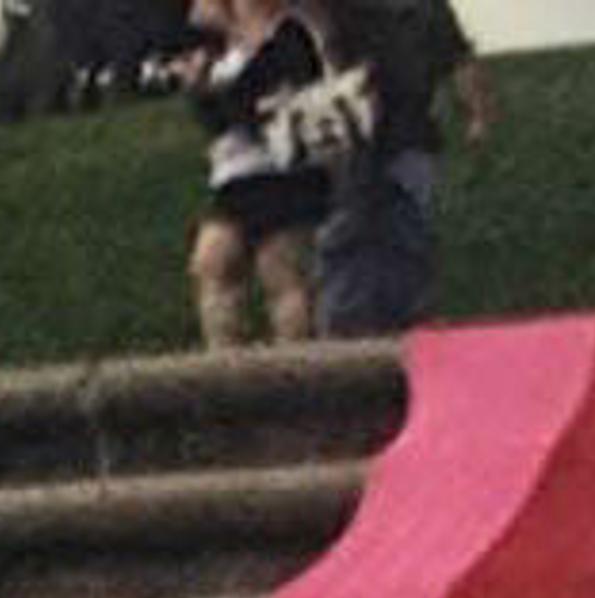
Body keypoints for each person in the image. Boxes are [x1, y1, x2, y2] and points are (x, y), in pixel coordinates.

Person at [317, 0, 489, 336]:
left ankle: (399, 324)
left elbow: (458, 60)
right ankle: (358, 327)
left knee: (399, 233)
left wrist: (477, 114)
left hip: (402, 137)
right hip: (357, 139)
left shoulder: (425, 9)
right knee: (355, 234)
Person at [184, 0, 336, 350]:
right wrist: (199, 86)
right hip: (233, 175)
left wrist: (218, 95)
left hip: (282, 173)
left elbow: (254, 104)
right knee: (211, 263)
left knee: (282, 273)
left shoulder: (288, 37)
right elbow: (216, 119)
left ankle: (295, 364)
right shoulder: (218, 52)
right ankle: (226, 362)